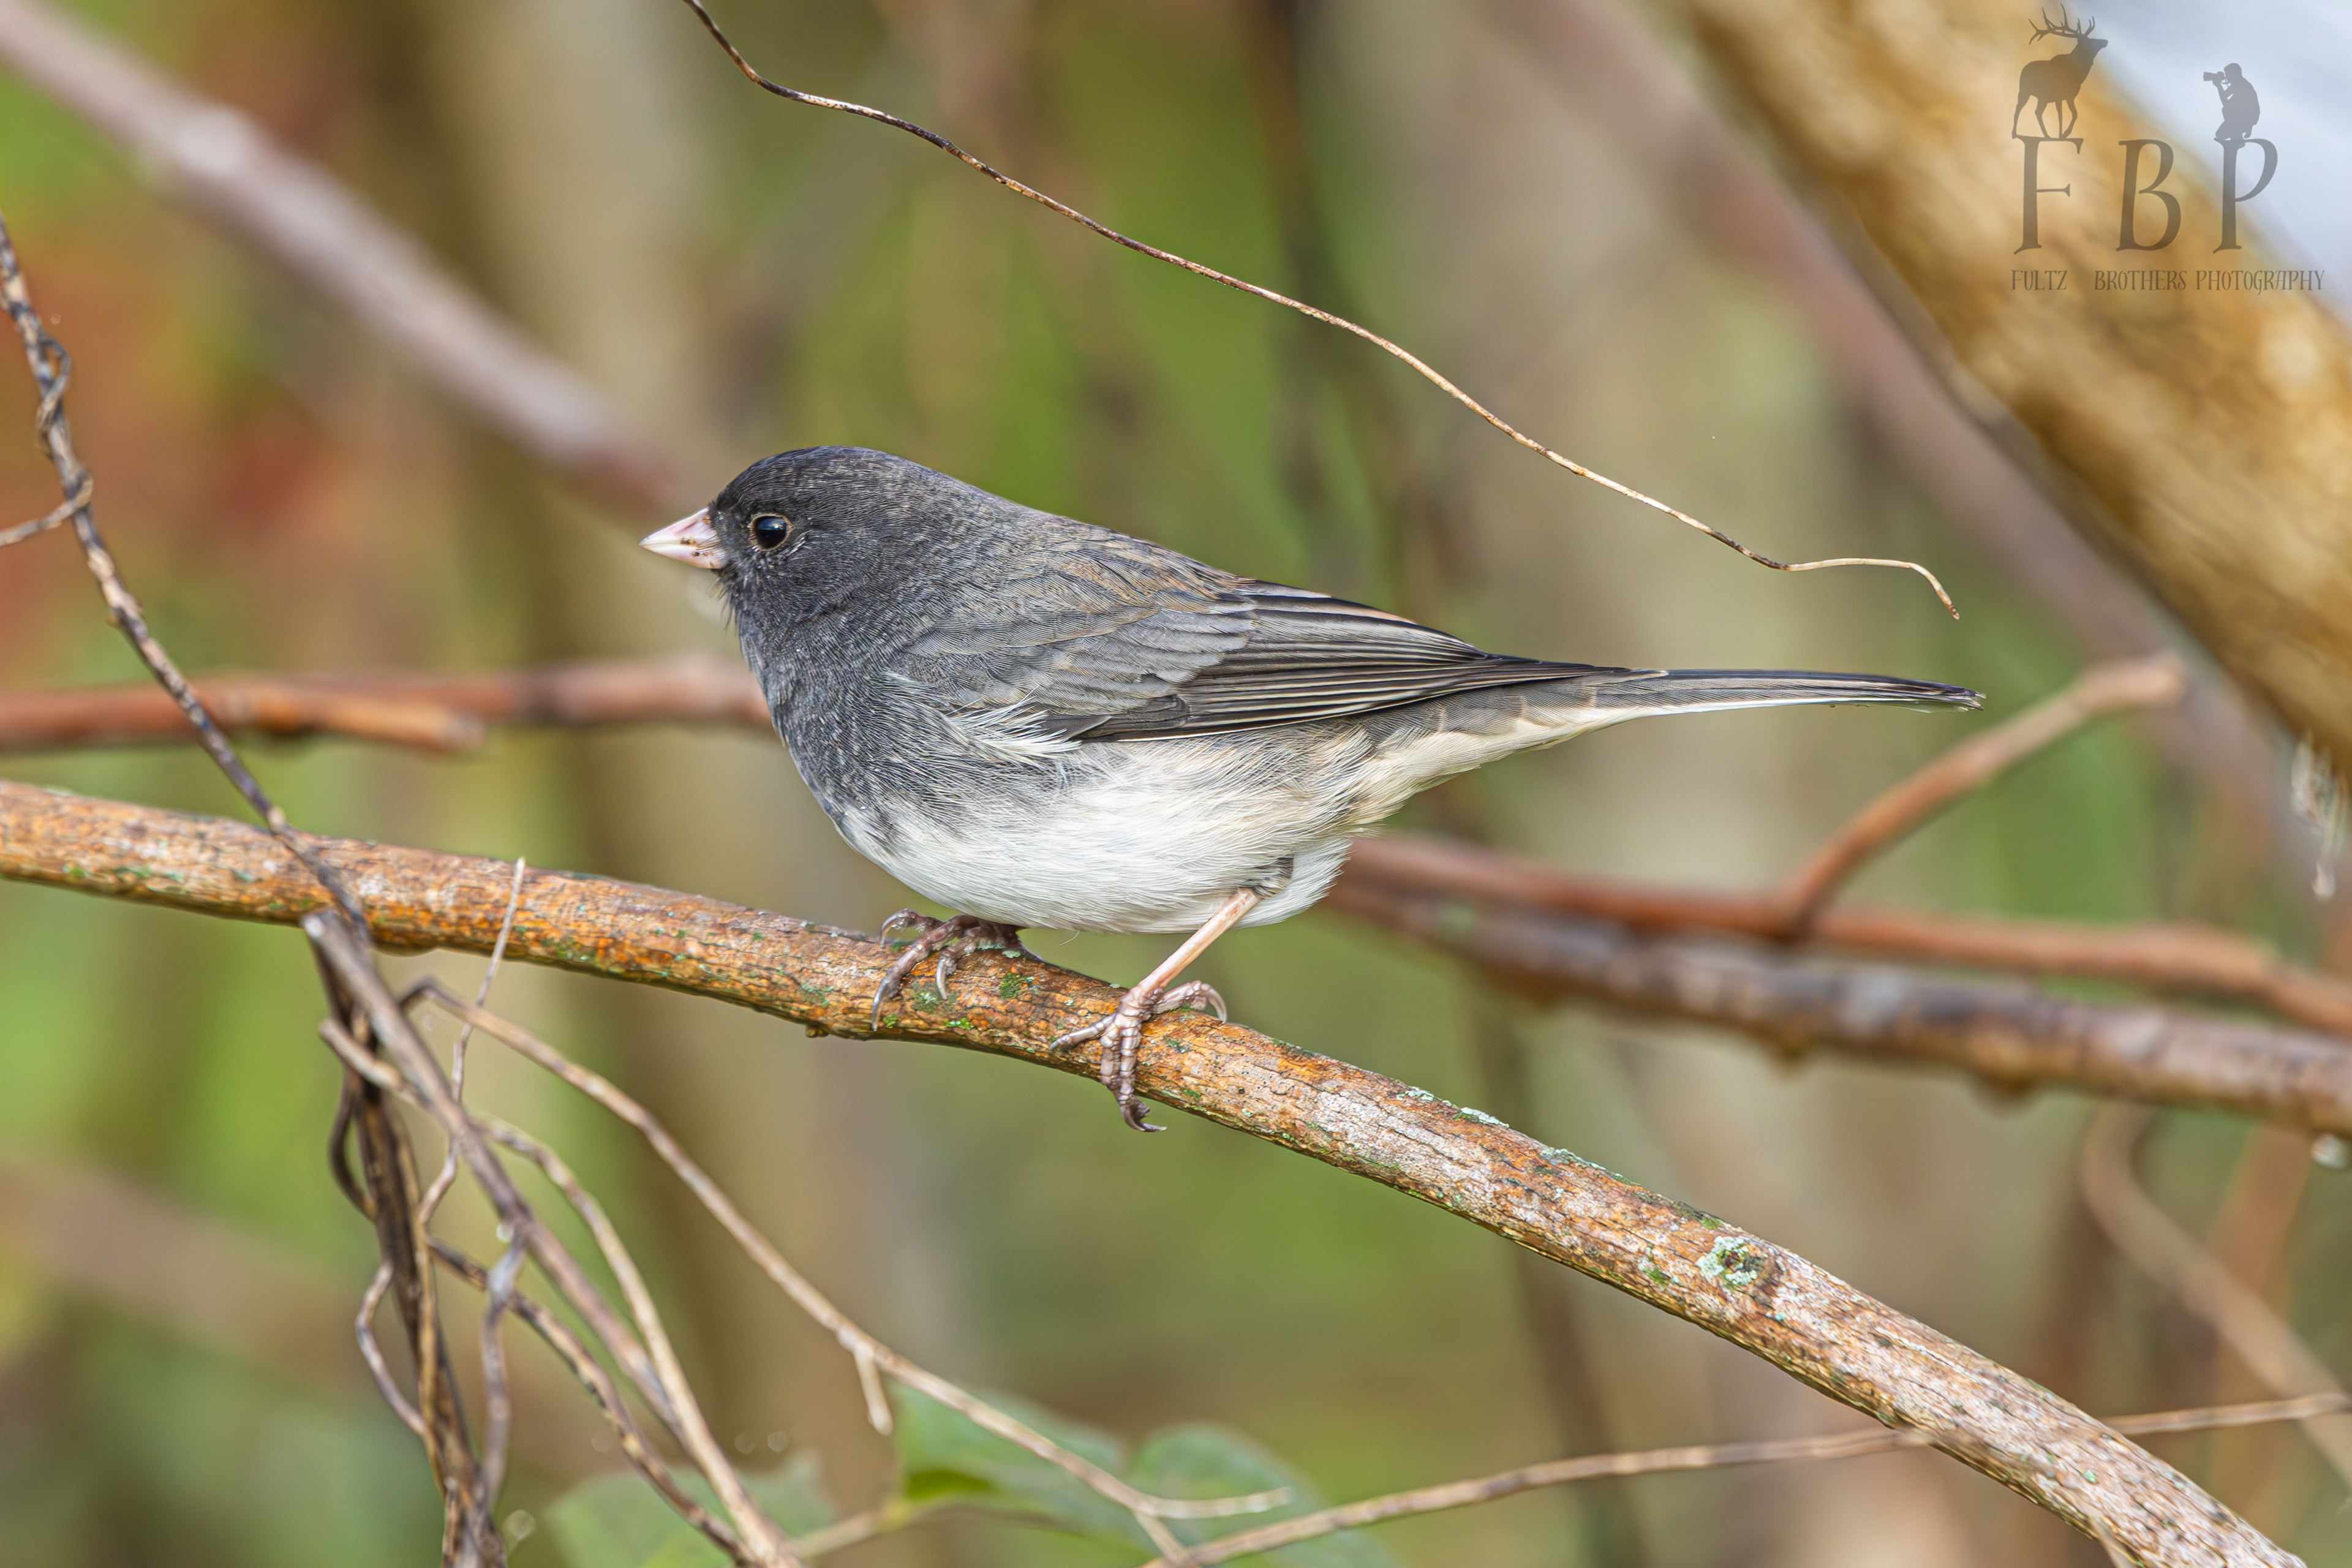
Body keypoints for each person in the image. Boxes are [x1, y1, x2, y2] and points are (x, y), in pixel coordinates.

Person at [2211, 63, 2260, 144]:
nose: (2226, 77)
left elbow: (2226, 105)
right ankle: (2239, 136)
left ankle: (2238, 140)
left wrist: (2219, 86)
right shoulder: (2240, 83)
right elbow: (2225, 96)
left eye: (2227, 74)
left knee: (2226, 110)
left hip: (2247, 118)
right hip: (2245, 116)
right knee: (2220, 134)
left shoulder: (2242, 86)